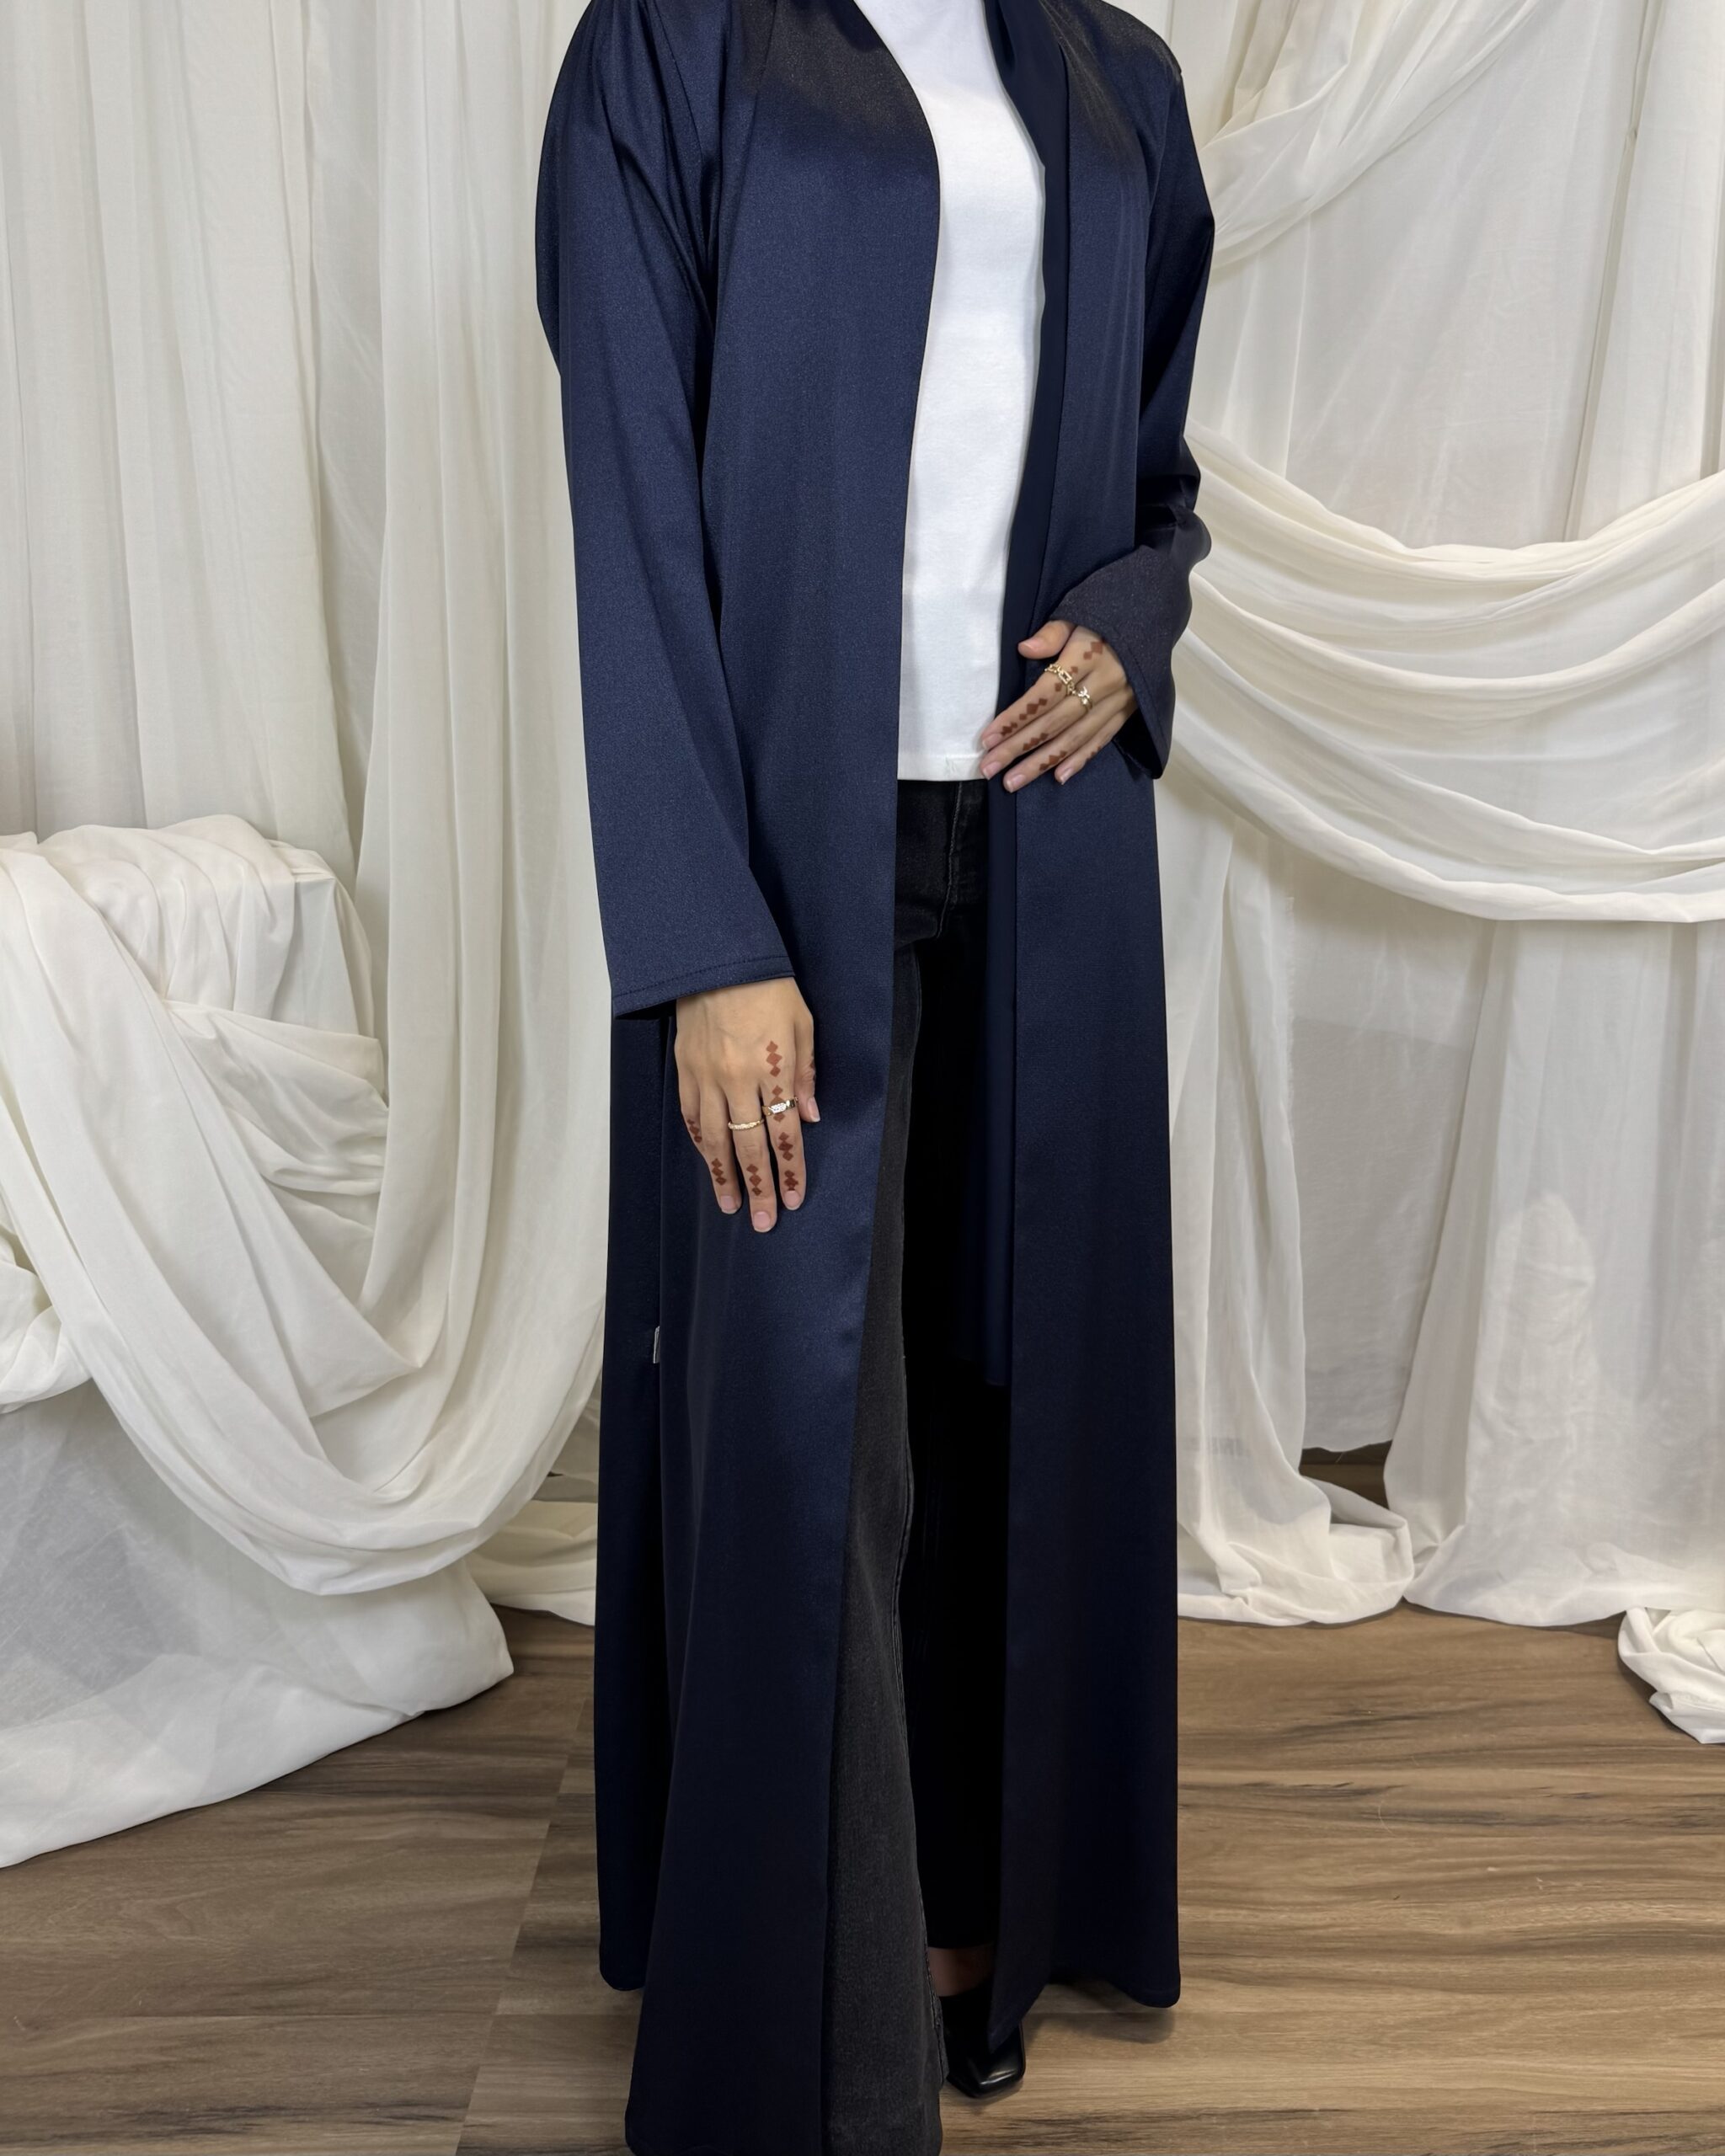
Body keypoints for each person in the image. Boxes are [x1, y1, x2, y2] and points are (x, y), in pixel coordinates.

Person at [536, 0, 1213, 2148]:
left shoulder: (1111, 71)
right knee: (806, 1433)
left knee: (1007, 1385)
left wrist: (1134, 621)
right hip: (783, 857)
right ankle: (798, 2020)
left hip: (1043, 836)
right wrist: (702, 936)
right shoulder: (672, 48)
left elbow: (1160, 475)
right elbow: (630, 495)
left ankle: (965, 1916)